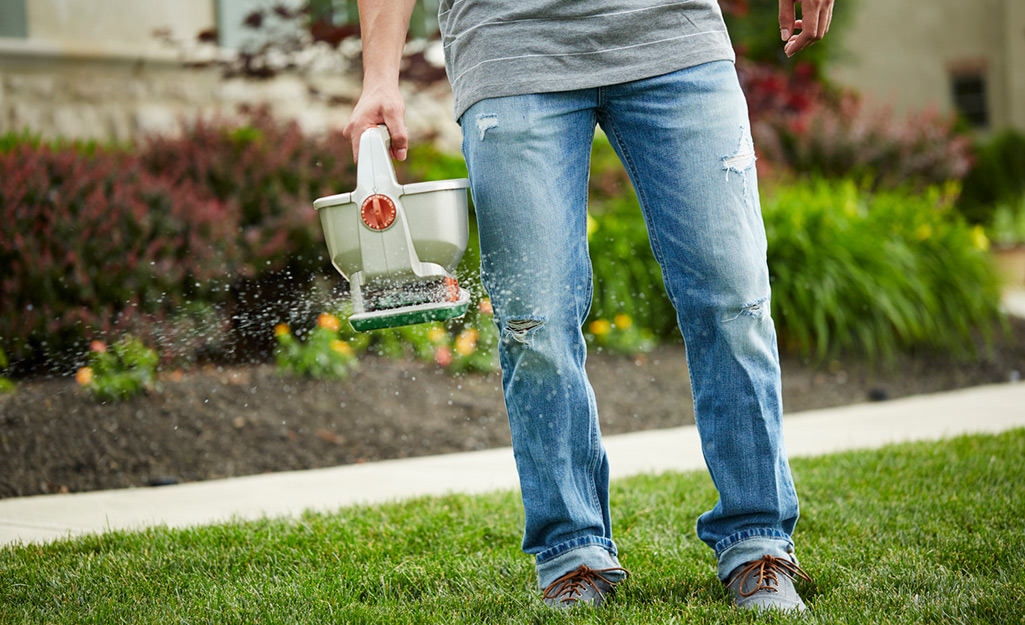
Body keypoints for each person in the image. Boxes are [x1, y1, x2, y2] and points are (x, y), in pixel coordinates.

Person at [344, 0, 834, 613]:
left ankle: (758, 541)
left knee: (733, 297)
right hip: (511, 45)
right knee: (535, 321)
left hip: (673, 33)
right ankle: (573, 552)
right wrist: (380, 78)